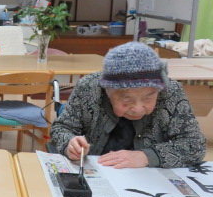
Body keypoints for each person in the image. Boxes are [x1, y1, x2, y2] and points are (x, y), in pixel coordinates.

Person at [50, 42, 206, 169]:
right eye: (126, 100)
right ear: (107, 92)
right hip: (97, 172)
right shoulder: (89, 87)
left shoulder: (171, 92)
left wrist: (147, 156)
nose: (138, 108)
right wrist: (69, 143)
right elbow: (62, 128)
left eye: (148, 98)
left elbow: (194, 145)